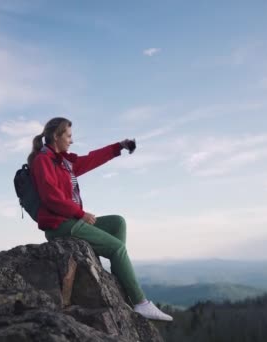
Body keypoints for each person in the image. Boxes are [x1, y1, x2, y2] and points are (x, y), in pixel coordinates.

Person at [28, 117, 173, 321]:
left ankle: (119, 284)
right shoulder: (43, 160)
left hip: (69, 220)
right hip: (59, 225)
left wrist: (118, 147)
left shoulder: (64, 162)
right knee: (117, 248)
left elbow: (91, 159)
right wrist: (81, 214)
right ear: (55, 136)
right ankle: (141, 303)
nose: (71, 140)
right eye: (68, 136)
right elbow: (51, 198)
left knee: (117, 222)